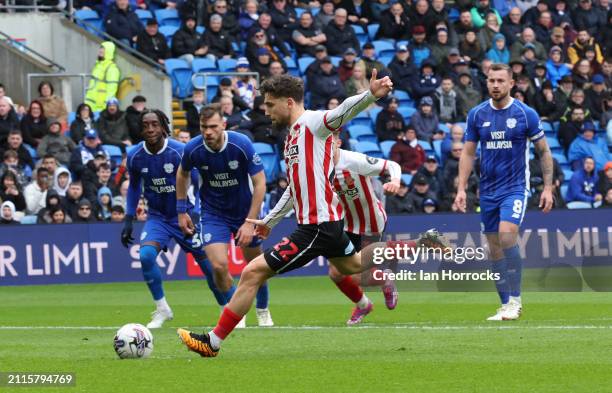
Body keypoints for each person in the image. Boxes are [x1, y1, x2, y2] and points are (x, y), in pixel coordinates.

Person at [177, 73, 448, 357]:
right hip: (326, 224)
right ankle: (422, 243)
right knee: (352, 265)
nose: (265, 110)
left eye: (270, 105)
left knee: (252, 272)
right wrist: (270, 221)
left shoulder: (313, 123)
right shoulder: (293, 137)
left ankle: (212, 342)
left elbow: (342, 111)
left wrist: (371, 95)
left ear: (289, 102)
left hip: (316, 227)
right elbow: (295, 189)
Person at [454, 63, 554, 321]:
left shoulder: (525, 114)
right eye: (491, 80)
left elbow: (544, 151)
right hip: (487, 191)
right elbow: (467, 152)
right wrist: (461, 188)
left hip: (515, 188)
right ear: (486, 83)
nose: (495, 85)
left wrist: (548, 187)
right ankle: (505, 303)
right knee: (494, 248)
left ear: (511, 83)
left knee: (507, 236)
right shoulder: (477, 114)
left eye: (500, 80)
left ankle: (516, 300)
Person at [120, 109, 229, 329]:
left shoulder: (180, 151)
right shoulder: (134, 155)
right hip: (158, 218)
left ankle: (227, 310)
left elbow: (201, 184)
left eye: (155, 124)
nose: (150, 129)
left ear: (163, 126)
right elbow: (133, 187)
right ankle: (162, 309)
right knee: (146, 256)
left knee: (210, 269)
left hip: (185, 217)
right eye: (146, 125)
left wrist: (197, 212)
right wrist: (129, 219)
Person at [175, 103, 273, 328]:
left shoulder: (241, 144)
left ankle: (263, 309)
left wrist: (250, 222)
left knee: (256, 266)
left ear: (223, 125)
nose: (207, 132)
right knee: (218, 267)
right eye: (203, 127)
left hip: (243, 213)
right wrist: (181, 211)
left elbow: (260, 184)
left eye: (212, 127)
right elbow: (182, 175)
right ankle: (235, 310)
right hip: (213, 214)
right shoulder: (193, 148)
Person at [85, 42, 120, 112]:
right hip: (90, 104)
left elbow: (111, 90)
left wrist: (106, 107)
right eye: (101, 48)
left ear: (109, 51)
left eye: (104, 49)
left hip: (101, 107)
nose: (101, 50)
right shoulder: (98, 65)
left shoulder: (112, 68)